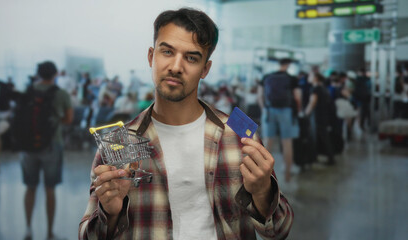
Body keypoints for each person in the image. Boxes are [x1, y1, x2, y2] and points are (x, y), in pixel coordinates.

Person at [79, 8, 293, 240]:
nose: (176, 66)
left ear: (205, 69)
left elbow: (278, 230)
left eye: (191, 57)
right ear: (152, 56)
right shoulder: (117, 144)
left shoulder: (239, 136)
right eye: (167, 52)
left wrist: (263, 192)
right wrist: (110, 214)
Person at [21, 61, 73, 240]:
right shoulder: (61, 94)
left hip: (28, 145)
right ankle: (50, 232)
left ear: (38, 73)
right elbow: (68, 119)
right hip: (52, 144)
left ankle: (28, 228)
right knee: (49, 188)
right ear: (55, 74)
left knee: (30, 187)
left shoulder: (28, 91)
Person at [257, 58, 302, 182]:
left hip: (269, 110)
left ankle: (262, 174)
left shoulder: (266, 77)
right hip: (287, 111)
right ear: (288, 65)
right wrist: (298, 111)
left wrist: (264, 109)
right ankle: (287, 174)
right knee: (287, 143)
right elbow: (297, 98)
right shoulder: (292, 79)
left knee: (267, 142)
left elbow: (260, 96)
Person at [304, 72, 335, 165]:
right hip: (323, 115)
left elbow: (312, 102)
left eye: (310, 75)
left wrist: (305, 114)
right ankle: (319, 157)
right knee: (322, 136)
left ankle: (330, 158)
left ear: (316, 78)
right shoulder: (322, 87)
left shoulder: (315, 88)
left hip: (317, 116)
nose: (308, 77)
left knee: (321, 137)